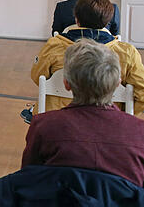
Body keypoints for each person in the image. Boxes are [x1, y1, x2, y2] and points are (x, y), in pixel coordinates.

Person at [23, 39, 144, 186]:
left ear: (66, 83)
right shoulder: (139, 132)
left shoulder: (43, 126)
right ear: (118, 84)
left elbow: (28, 180)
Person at [32, 0, 144, 116]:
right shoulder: (127, 52)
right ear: (108, 21)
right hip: (108, 120)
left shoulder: (54, 46)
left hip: (58, 117)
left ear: (76, 19)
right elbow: (141, 92)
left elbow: (37, 76)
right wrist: (126, 115)